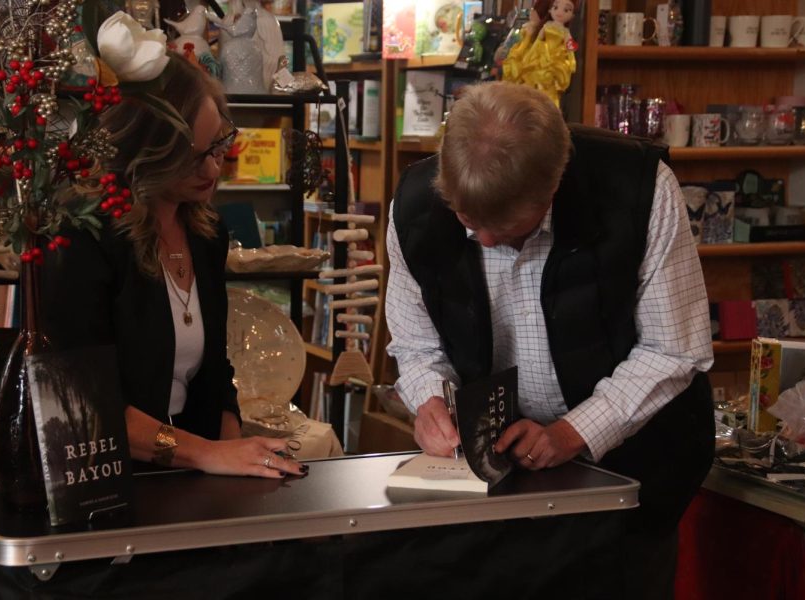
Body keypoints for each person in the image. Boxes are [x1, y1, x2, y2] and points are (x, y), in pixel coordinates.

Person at [386, 82, 714, 598]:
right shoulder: (414, 204)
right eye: (471, 224)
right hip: (501, 481)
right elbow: (416, 341)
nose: (487, 242)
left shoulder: (638, 190)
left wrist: (572, 432)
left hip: (632, 477)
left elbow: (674, 348)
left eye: (508, 229)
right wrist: (428, 398)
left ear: (554, 186)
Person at [42, 53, 306, 479]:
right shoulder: (83, 236)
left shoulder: (205, 233)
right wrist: (205, 454)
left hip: (186, 469)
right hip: (104, 475)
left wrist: (237, 454)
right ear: (146, 150)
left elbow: (216, 376)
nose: (213, 168)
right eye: (194, 155)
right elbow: (91, 406)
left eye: (219, 146)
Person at [502, 0, 579, 106]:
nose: (530, 13)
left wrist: (571, 58)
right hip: (539, 60)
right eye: (556, 8)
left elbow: (570, 47)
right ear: (550, 10)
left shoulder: (563, 32)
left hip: (551, 65)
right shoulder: (533, 30)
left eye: (566, 10)